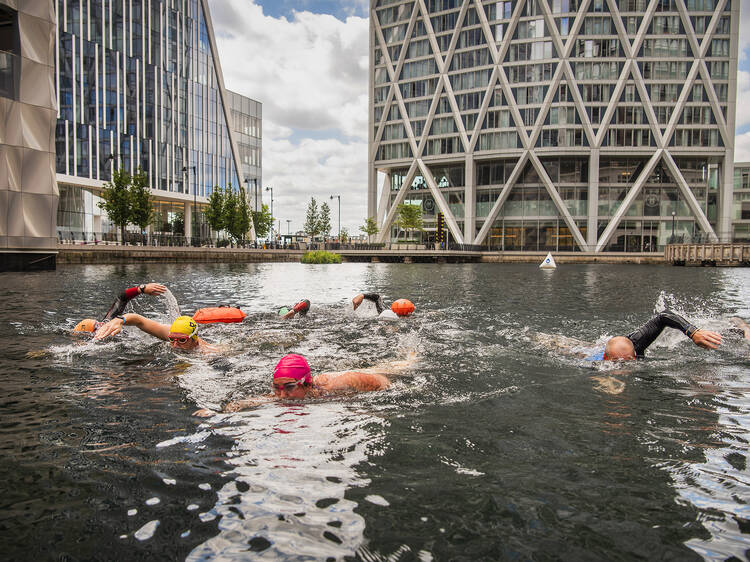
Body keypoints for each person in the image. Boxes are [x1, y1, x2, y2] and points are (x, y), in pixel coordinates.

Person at [194, 353, 396, 416]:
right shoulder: (281, 392)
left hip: (371, 374)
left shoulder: (340, 383)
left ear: (306, 385)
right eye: (277, 387)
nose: (281, 396)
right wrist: (218, 414)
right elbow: (251, 402)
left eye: (289, 388)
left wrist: (390, 389)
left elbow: (382, 381)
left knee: (399, 366)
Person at [589, 309, 722, 361]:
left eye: (627, 362)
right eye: (616, 363)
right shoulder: (594, 363)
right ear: (605, 358)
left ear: (635, 356)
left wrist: (693, 332)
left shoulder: (636, 343)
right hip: (590, 350)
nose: (621, 370)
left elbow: (663, 316)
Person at [73, 283, 167, 333]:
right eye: (96, 326)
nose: (101, 324)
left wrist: (141, 289)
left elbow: (121, 298)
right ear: (93, 333)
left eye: (98, 322)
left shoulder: (108, 323)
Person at [94, 314, 216, 352]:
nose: (175, 345)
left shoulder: (206, 353)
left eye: (182, 340)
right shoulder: (174, 334)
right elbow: (139, 320)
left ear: (194, 341)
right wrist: (120, 320)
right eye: (171, 339)